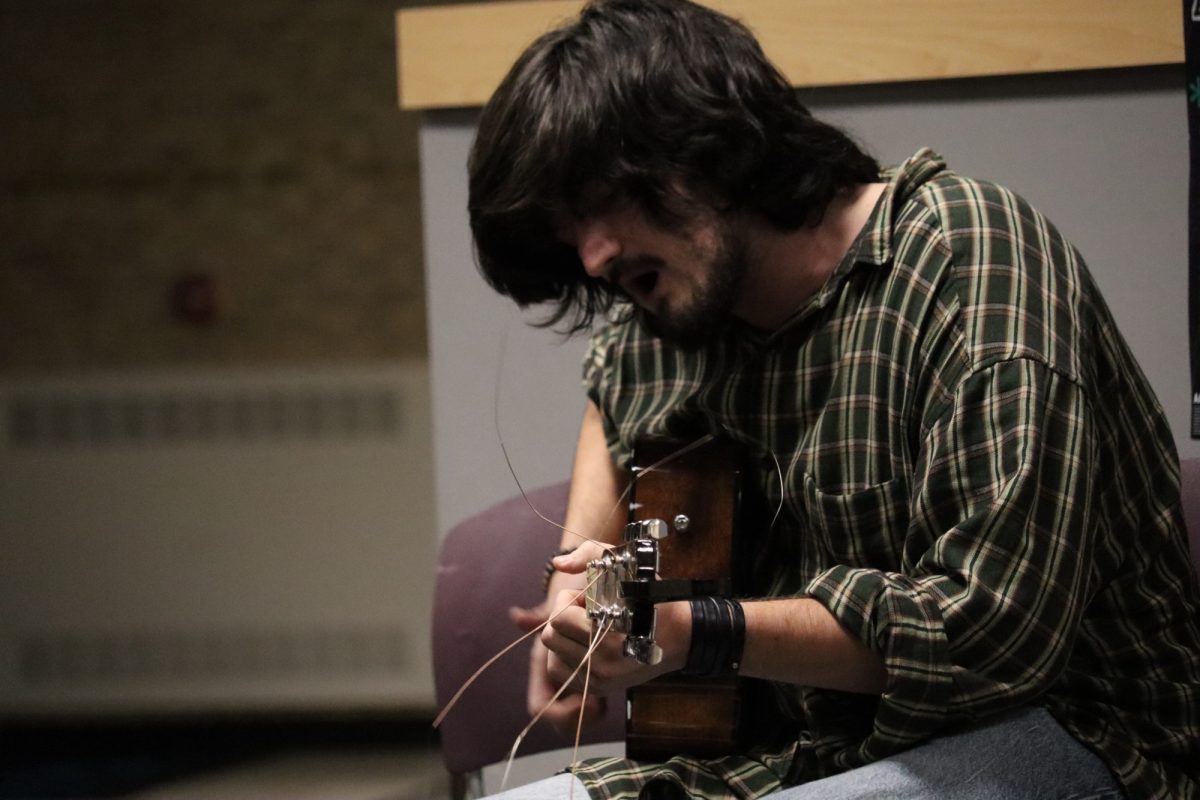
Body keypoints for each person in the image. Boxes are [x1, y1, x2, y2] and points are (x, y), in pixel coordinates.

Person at [467, 1, 1200, 798]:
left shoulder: (969, 257)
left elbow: (995, 635)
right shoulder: (670, 313)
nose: (595, 254)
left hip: (1069, 738)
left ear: (710, 142)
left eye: (605, 200)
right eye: (572, 231)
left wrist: (694, 631)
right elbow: (613, 388)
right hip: (801, 760)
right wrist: (575, 596)